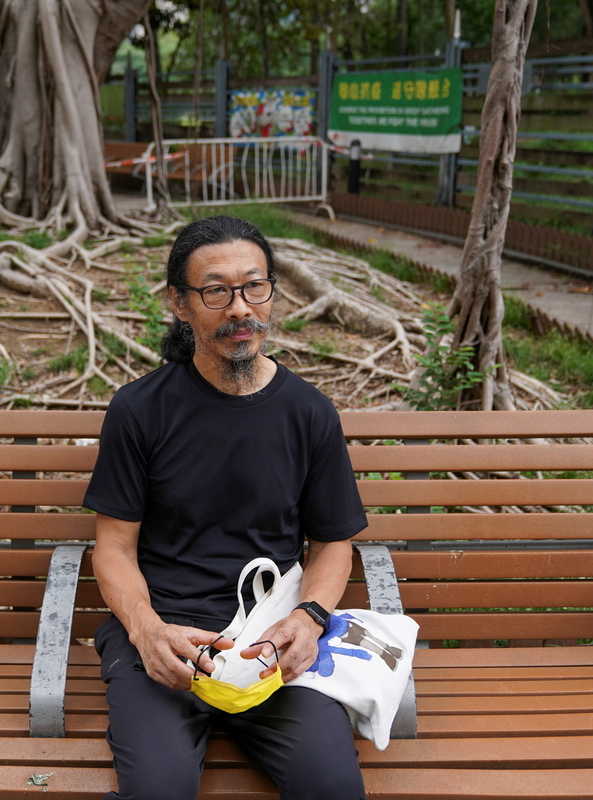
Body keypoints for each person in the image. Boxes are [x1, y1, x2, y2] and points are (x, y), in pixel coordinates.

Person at [84, 215, 368, 800]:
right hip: (167, 639)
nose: (240, 308)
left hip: (271, 644)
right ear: (180, 303)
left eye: (254, 287)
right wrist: (146, 630)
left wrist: (309, 619)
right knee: (158, 791)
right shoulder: (140, 410)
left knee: (333, 786)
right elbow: (112, 548)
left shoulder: (309, 413)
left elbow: (332, 544)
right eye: (216, 291)